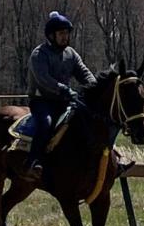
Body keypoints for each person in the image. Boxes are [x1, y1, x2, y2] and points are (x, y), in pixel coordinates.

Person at [24, 11, 97, 180]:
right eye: (61, 34)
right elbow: (43, 79)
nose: (65, 37)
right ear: (51, 36)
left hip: (64, 101)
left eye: (67, 33)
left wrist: (95, 87)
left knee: (91, 119)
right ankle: (33, 162)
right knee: (46, 123)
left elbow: (84, 73)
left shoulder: (71, 54)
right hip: (42, 101)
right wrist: (64, 89)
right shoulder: (39, 54)